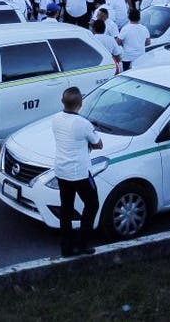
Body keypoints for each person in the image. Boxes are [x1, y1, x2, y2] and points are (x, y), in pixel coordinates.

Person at [52, 87, 103, 258]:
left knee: (66, 210)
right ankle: (82, 243)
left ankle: (66, 248)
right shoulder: (83, 123)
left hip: (61, 171)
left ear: (62, 101)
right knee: (92, 204)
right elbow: (98, 144)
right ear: (81, 103)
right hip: (80, 173)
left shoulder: (56, 119)